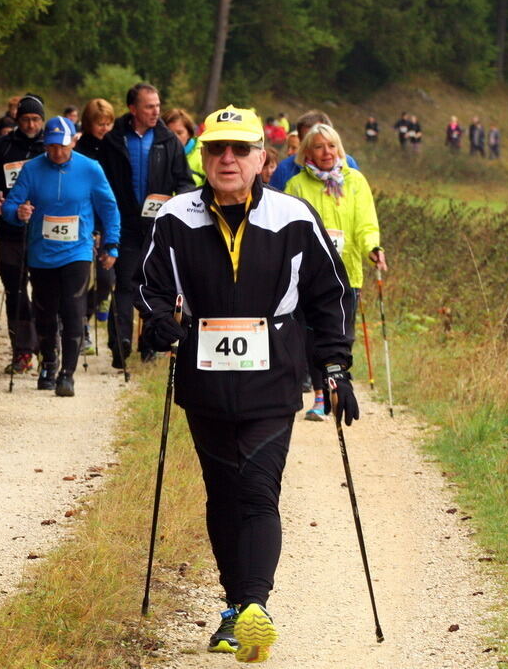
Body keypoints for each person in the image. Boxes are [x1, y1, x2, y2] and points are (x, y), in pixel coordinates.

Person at [138, 105, 357, 662]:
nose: (227, 159)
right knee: (223, 493)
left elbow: (328, 295)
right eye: (216, 149)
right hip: (204, 377)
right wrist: (168, 329)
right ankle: (235, 607)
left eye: (239, 149)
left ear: (263, 157)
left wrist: (334, 367)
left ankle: (254, 603)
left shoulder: (293, 216)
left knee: (258, 489)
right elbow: (147, 286)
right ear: (203, 158)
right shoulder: (176, 217)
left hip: (271, 374)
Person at [1, 116, 120, 396]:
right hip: (42, 253)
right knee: (44, 312)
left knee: (73, 310)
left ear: (73, 141)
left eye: (62, 147)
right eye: (51, 147)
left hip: (77, 251)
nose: (56, 152)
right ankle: (48, 365)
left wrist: (111, 244)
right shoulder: (31, 169)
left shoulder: (90, 169)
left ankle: (67, 373)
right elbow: (11, 205)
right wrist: (18, 214)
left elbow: (110, 209)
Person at [285, 123, 386, 420]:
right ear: (307, 152)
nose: (326, 152)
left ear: (339, 149)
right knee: (311, 334)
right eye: (318, 146)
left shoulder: (355, 182)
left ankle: (337, 385)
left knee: (340, 334)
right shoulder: (297, 186)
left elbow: (367, 224)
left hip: (347, 273)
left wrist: (373, 249)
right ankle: (319, 395)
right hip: (308, 276)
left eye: (331, 146)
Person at [102, 83, 195, 367]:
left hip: (158, 227)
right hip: (125, 224)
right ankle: (121, 342)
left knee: (156, 286)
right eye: (149, 106)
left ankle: (150, 342)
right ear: (133, 109)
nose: (156, 111)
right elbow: (102, 183)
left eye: (157, 105)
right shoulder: (113, 140)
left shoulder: (168, 141)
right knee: (126, 285)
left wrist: (185, 204)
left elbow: (185, 180)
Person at [0, 94, 46, 374]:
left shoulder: (49, 149)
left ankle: (47, 348)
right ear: (17, 119)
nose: (31, 124)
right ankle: (22, 351)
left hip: (43, 233)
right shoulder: (0, 147)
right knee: (15, 292)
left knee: (44, 293)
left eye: (36, 119)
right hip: (10, 232)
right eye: (26, 119)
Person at [75, 98, 121, 354]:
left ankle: (84, 315)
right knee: (81, 277)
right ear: (88, 123)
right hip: (85, 220)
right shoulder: (80, 149)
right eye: (99, 123)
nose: (104, 128)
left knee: (106, 279)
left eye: (108, 123)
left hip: (110, 219)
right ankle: (77, 325)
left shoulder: (114, 146)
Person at [270, 110, 359, 191]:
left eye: (321, 134)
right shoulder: (286, 169)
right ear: (301, 141)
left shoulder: (348, 163)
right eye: (307, 138)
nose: (314, 141)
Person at [164, 108, 205, 186]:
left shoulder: (203, 156)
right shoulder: (157, 155)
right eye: (169, 133)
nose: (174, 138)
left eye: (179, 133)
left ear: (189, 133)